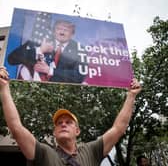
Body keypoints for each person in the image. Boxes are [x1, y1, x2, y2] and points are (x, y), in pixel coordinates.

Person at [0, 66, 141, 166]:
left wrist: (131, 96)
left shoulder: (92, 151)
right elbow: (16, 128)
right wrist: (4, 88)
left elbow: (119, 128)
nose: (63, 124)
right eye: (59, 123)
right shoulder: (43, 152)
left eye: (68, 122)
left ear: (77, 131)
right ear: (54, 132)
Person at [8, 20, 86, 83]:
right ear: (54, 31)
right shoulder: (39, 40)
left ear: (72, 34)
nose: (61, 32)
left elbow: (79, 76)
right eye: (58, 29)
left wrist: (50, 70)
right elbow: (12, 59)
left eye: (66, 30)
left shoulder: (79, 49)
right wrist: (40, 50)